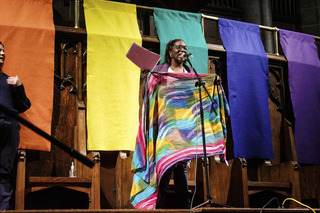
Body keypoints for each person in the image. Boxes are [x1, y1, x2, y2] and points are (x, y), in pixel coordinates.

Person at [153, 39, 192, 209]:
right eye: (178, 47)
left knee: (181, 167)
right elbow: (151, 91)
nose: (182, 49)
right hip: (166, 124)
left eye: (184, 47)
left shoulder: (190, 71)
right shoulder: (161, 71)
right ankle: (159, 206)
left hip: (184, 124)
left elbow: (195, 98)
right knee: (166, 164)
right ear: (170, 52)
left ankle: (183, 206)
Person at [0, 41, 31, 210]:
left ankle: (3, 208)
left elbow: (24, 105)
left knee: (4, 171)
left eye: (3, 51)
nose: (2, 54)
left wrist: (20, 87)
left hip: (9, 127)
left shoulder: (10, 81)